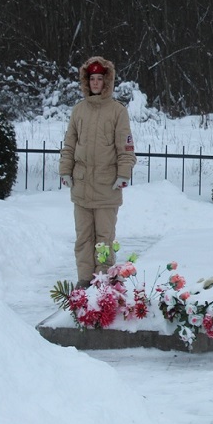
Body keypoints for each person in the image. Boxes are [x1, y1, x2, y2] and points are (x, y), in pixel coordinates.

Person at [59, 56, 136, 288]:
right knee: (83, 238)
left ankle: (103, 281)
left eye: (99, 78)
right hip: (81, 187)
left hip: (106, 186)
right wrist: (65, 169)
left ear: (106, 81)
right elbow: (70, 143)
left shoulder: (117, 111)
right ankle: (84, 281)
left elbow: (126, 146)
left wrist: (123, 173)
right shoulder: (78, 111)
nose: (95, 83)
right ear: (86, 82)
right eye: (91, 78)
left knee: (104, 239)